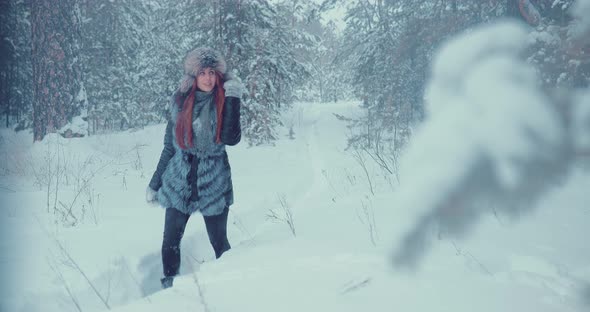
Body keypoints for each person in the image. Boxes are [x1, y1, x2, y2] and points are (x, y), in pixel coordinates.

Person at [145, 47, 243, 289]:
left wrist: (233, 97)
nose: (208, 78)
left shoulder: (223, 101)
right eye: (202, 73)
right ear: (193, 76)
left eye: (212, 72)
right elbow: (169, 147)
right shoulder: (179, 104)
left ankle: (232, 288)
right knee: (169, 243)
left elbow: (232, 138)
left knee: (220, 243)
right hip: (179, 183)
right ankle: (170, 290)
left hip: (214, 184)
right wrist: (155, 182)